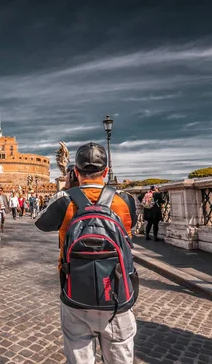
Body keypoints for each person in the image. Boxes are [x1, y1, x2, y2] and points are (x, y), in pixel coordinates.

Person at [35, 142, 137, 364]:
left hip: (75, 294)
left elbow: (40, 222)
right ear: (106, 171)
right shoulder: (125, 200)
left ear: (75, 171)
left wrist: (66, 188)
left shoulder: (65, 201)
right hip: (117, 294)